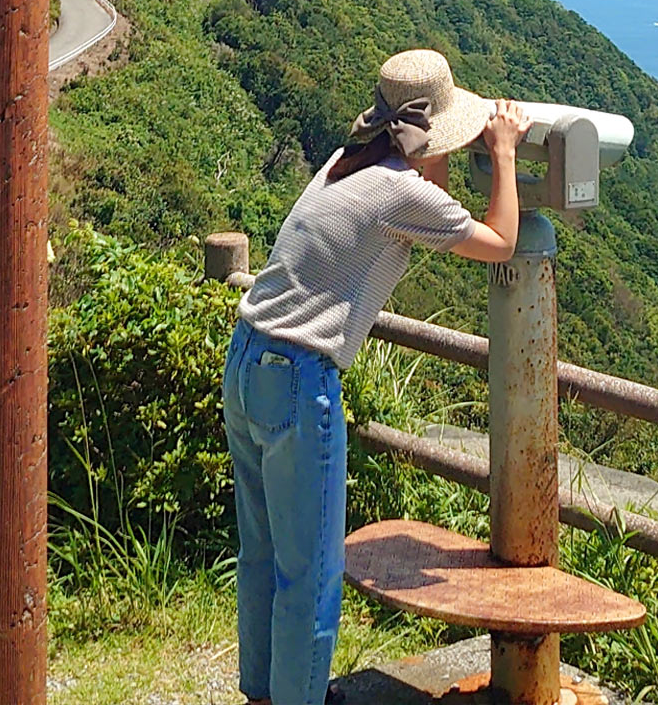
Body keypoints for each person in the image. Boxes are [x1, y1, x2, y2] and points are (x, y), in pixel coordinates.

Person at [225, 49, 527, 705]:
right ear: (432, 133)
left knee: (264, 554)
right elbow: (500, 241)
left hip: (246, 359)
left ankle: (262, 694)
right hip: (300, 379)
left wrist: (438, 155)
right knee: (312, 576)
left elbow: (429, 206)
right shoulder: (399, 191)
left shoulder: (346, 163)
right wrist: (501, 152)